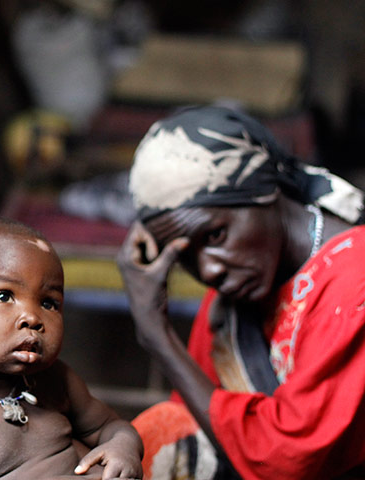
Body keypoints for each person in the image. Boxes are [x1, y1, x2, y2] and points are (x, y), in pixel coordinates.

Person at [116, 105, 365, 479]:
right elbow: (194, 421)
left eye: (215, 236)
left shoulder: (354, 282)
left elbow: (287, 458)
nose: (210, 269)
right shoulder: (235, 293)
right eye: (186, 256)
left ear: (264, 192)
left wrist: (157, 336)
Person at [0, 217, 144, 480]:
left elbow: (112, 426)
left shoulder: (55, 378)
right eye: (3, 296)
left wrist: (123, 447)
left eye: (49, 303)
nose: (32, 318)